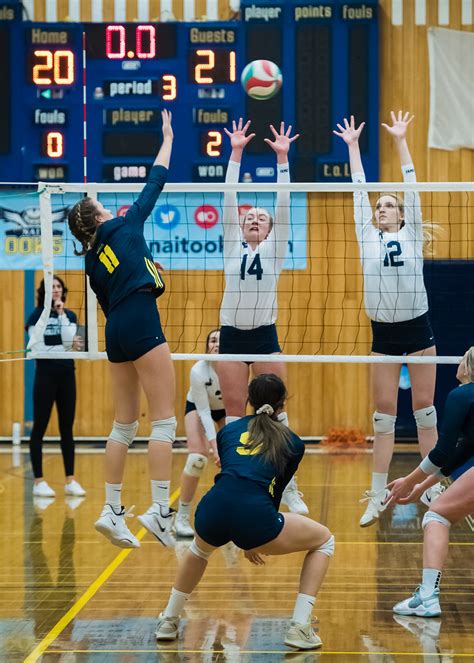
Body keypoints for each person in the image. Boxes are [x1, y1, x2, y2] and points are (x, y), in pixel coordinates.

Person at [155, 374, 334, 651]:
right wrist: (254, 540)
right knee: (324, 540)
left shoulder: (228, 431)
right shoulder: (294, 443)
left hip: (212, 506)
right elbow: (274, 491)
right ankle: (300, 626)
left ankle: (169, 620)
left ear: (249, 401)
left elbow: (232, 475)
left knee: (199, 550)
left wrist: (248, 536)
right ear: (282, 405)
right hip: (256, 515)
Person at [67, 110, 176, 548]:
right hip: (140, 319)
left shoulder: (91, 260)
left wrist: (147, 268)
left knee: (124, 425)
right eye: (100, 206)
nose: (107, 206)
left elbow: (110, 294)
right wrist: (167, 136)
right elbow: (157, 180)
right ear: (97, 218)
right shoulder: (125, 224)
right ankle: (160, 511)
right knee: (164, 421)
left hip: (115, 329)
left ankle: (111, 510)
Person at [334, 112, 442, 527]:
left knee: (425, 411)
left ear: (400, 214)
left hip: (418, 328)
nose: (381, 209)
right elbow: (358, 189)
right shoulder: (366, 235)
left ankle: (430, 484)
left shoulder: (411, 232)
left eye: (389, 205)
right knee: (383, 418)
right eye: (379, 206)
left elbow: (412, 188)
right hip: (383, 332)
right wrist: (352, 148)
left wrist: (399, 141)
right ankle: (378, 493)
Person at [217, 118, 308, 515]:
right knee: (236, 415)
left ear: (271, 230)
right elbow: (227, 196)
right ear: (240, 225)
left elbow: (284, 204)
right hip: (232, 338)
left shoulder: (275, 250)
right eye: (249, 216)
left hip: (265, 336)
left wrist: (283, 160)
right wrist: (235, 152)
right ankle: (235, 480)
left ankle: (288, 486)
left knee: (278, 412)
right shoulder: (230, 247)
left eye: (262, 218)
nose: (254, 219)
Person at [387, 347, 474, 617]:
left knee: (436, 516)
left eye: (462, 358)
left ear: (468, 366)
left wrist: (407, 481)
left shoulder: (462, 395)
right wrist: (419, 488)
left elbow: (441, 452)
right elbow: (462, 453)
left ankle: (427, 597)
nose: (457, 363)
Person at [27, 275, 85, 499]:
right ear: (44, 292)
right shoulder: (36, 316)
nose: (56, 290)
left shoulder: (69, 315)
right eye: (52, 287)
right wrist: (64, 345)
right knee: (40, 427)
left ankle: (70, 480)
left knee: (66, 429)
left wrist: (61, 315)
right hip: (45, 376)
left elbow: (74, 344)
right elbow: (37, 344)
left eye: (59, 286)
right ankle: (39, 481)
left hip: (66, 375)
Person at [175, 329, 225, 537]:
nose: (216, 345)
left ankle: (229, 514)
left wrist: (225, 449)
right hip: (197, 407)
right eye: (213, 340)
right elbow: (204, 412)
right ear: (207, 345)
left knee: (234, 459)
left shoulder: (238, 368)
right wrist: (214, 448)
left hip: (226, 410)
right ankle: (182, 517)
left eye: (222, 341)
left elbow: (236, 409)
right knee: (197, 459)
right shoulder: (198, 370)